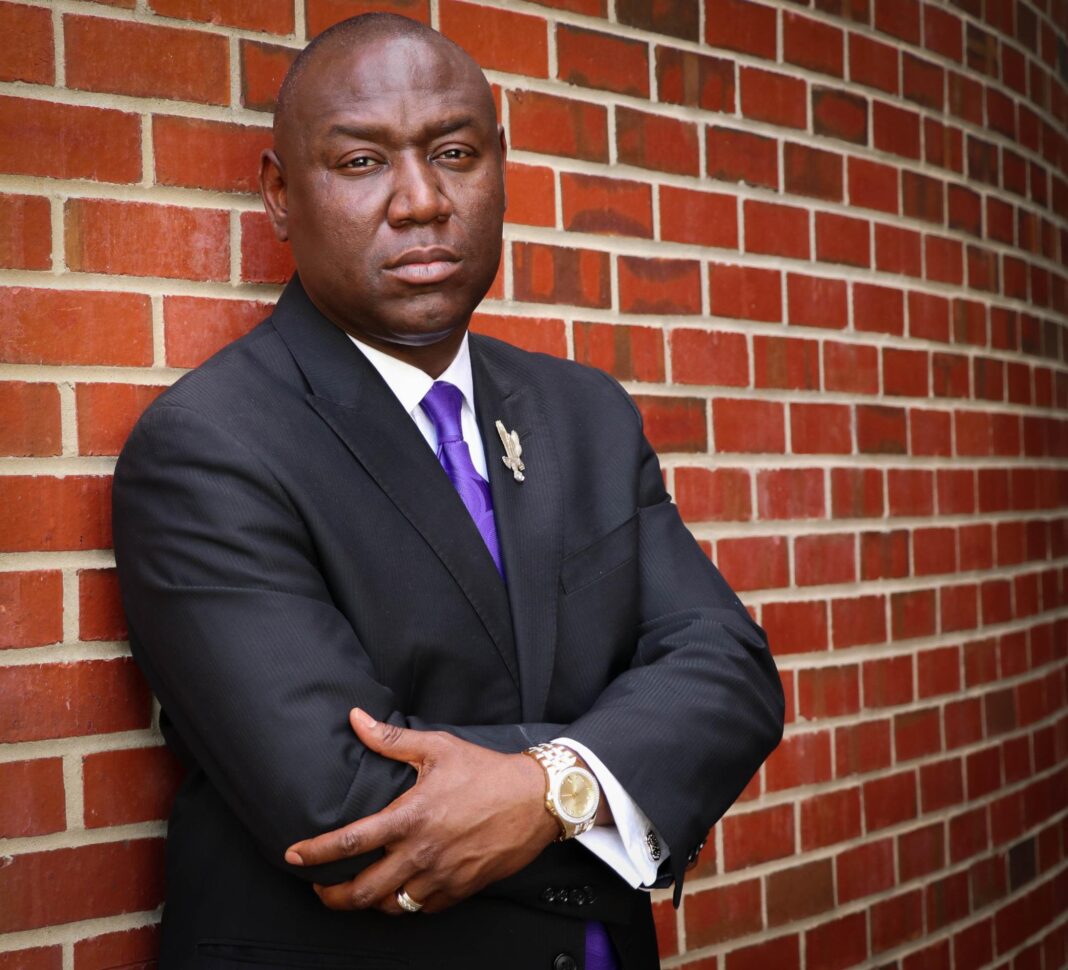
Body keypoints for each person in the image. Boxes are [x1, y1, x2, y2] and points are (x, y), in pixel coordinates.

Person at [112, 13, 784, 970]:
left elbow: (728, 671)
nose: (421, 201)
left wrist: (557, 786)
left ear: (501, 165)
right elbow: (343, 804)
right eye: (360, 163)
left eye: (456, 152)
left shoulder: (584, 414)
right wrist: (628, 765)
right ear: (279, 192)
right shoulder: (211, 446)